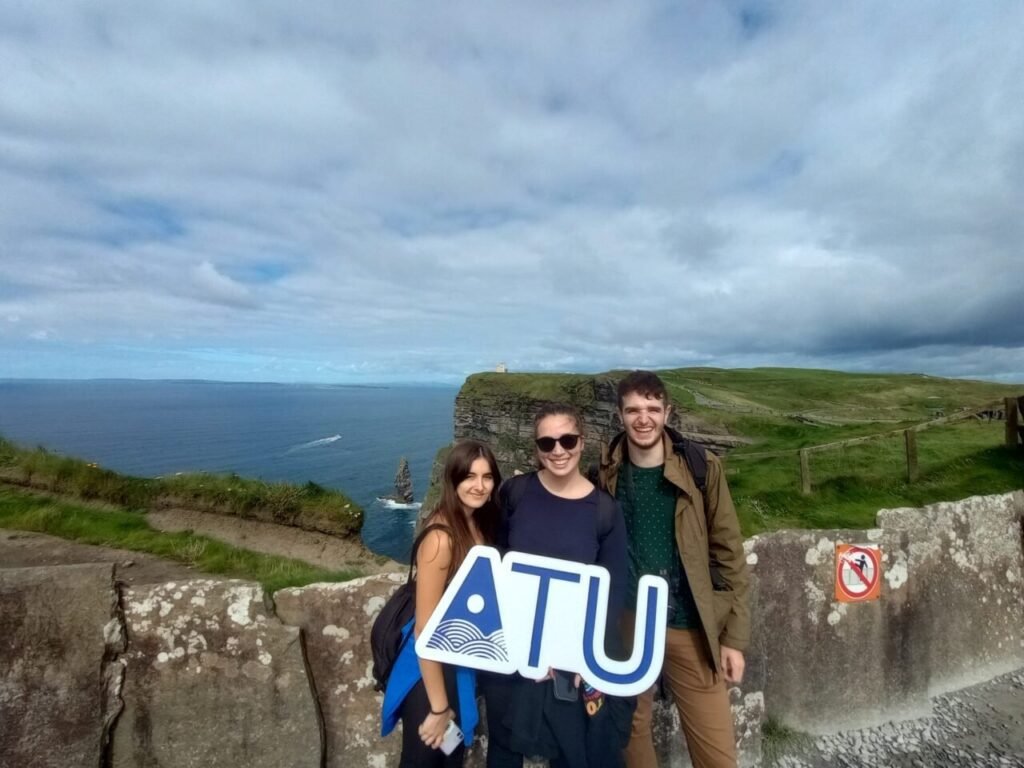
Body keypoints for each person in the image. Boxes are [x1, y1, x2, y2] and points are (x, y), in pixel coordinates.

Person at [596, 371, 750, 768]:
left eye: (651, 408)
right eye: (633, 409)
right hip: (628, 621)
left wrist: (733, 637)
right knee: (631, 731)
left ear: (667, 412)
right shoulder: (605, 471)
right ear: (619, 415)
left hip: (690, 622)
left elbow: (728, 552)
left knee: (717, 753)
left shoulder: (701, 467)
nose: (642, 418)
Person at [482, 402, 631, 768]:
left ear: (582, 442)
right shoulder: (515, 493)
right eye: (546, 443)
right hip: (515, 650)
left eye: (567, 439)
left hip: (570, 654)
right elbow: (494, 562)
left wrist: (587, 655)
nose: (558, 450)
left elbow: (612, 588)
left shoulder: (604, 511)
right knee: (504, 748)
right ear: (536, 449)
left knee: (572, 753)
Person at [382, 440, 503, 767]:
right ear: (453, 480)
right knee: (423, 760)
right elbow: (424, 628)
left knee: (451, 757)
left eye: (487, 477)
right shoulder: (441, 538)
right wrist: (439, 707)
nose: (479, 486)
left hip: (457, 665)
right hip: (427, 675)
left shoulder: (478, 523)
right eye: (470, 477)